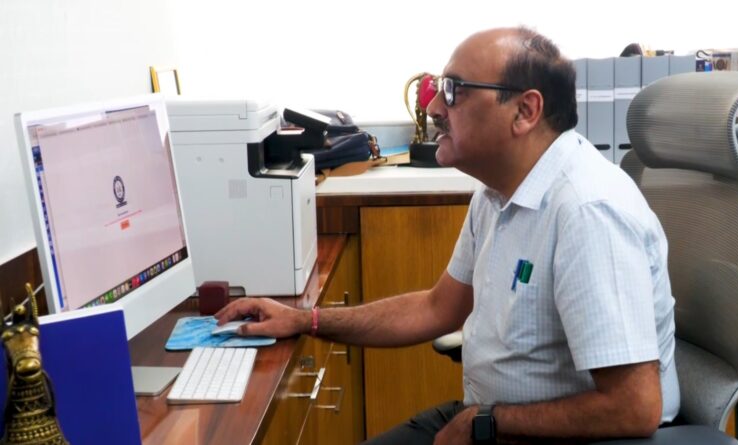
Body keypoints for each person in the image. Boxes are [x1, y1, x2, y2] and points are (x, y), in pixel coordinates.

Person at [215, 26, 679, 444]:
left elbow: (635, 408)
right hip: (491, 420)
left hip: (547, 433)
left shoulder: (586, 211)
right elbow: (437, 308)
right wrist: (306, 321)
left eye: (454, 91)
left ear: (525, 110)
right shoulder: (497, 194)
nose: (434, 106)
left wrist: (489, 422)